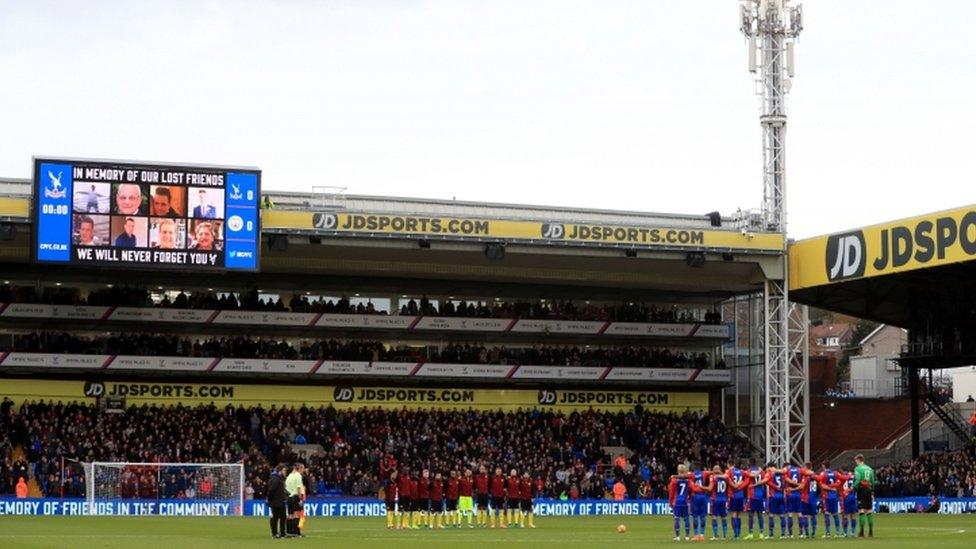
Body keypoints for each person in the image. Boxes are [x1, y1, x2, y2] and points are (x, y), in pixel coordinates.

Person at [744, 458, 767, 540]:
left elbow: (746, 482)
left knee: (751, 515)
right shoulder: (761, 471)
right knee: (760, 514)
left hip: (752, 495)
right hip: (760, 495)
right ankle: (761, 533)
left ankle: (750, 534)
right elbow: (765, 481)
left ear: (750, 462)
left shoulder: (748, 471)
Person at [853, 454, 876, 537]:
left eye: (856, 461)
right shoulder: (870, 469)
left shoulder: (857, 469)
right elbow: (873, 481)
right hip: (869, 490)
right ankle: (870, 532)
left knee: (861, 511)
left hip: (861, 490)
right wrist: (872, 490)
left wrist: (853, 487)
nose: (855, 463)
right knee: (869, 511)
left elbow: (858, 479)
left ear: (859, 460)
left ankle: (862, 532)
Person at [669, 464, 692, 541]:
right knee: (686, 519)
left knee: (676, 519)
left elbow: (671, 492)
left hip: (677, 501)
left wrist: (670, 502)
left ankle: (678, 537)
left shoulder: (674, 480)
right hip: (685, 501)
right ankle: (687, 537)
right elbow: (690, 490)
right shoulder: (688, 480)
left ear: (678, 471)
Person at [819, 461, 843, 538]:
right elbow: (840, 482)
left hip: (827, 496)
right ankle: (838, 533)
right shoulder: (835, 473)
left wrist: (829, 488)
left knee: (826, 514)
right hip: (834, 496)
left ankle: (827, 533)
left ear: (823, 466)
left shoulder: (823, 474)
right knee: (835, 514)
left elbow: (822, 486)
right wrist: (834, 488)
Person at [766, 463, 788, 539]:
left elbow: (766, 482)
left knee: (771, 515)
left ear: (770, 467)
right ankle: (783, 534)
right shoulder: (782, 474)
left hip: (773, 496)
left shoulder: (770, 474)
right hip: (781, 496)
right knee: (782, 515)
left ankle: (771, 535)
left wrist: (774, 487)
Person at [689, 462, 710, 541]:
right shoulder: (704, 473)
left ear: (694, 467)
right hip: (703, 496)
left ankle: (696, 535)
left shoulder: (691, 474)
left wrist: (675, 476)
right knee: (703, 516)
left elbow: (683, 476)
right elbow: (711, 472)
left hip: (695, 496)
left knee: (695, 516)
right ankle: (702, 535)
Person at [709, 465, 730, 540]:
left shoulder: (713, 477)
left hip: (715, 499)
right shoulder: (725, 477)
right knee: (723, 517)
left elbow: (710, 488)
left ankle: (715, 536)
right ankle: (724, 536)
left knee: (714, 517)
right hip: (723, 499)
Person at [285, 463, 305, 537]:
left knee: (290, 515)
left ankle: (289, 531)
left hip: (289, 496)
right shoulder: (298, 476)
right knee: (297, 515)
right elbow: (299, 488)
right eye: (303, 468)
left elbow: (286, 487)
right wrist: (300, 499)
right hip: (295, 496)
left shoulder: (289, 476)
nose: (303, 470)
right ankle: (296, 532)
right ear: (299, 468)